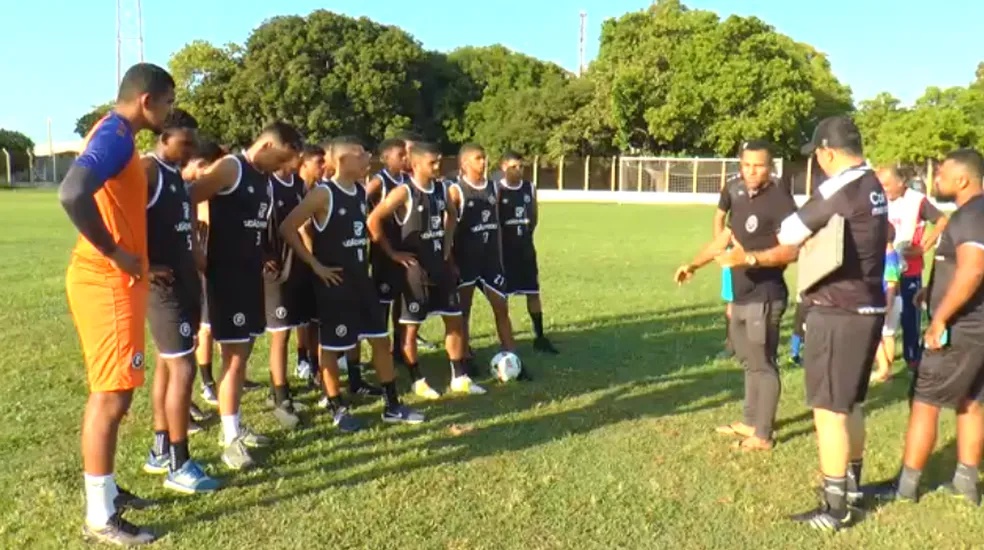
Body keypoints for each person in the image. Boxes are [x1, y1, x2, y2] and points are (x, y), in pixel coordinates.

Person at [718, 116, 887, 531]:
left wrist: (755, 255)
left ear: (829, 152)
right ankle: (851, 489)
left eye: (819, 157)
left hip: (837, 308)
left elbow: (791, 231)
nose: (820, 165)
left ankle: (835, 508)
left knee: (829, 411)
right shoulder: (874, 185)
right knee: (852, 405)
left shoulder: (841, 186)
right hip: (868, 305)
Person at [59, 62, 174, 546]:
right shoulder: (117, 136)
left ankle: (106, 490)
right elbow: (72, 192)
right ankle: (100, 516)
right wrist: (116, 252)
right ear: (146, 100)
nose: (170, 111)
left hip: (118, 280)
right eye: (167, 101)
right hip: (107, 281)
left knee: (116, 392)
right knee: (110, 397)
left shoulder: (111, 132)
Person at [280, 136, 425, 429]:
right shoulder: (323, 194)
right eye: (360, 154)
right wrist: (315, 264)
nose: (367, 158)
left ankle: (392, 405)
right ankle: (337, 408)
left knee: (380, 341)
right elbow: (288, 227)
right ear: (342, 161)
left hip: (363, 281)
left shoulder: (360, 191)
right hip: (335, 286)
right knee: (331, 348)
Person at [871, 149, 984, 506]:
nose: (936, 179)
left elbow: (973, 270)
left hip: (961, 329)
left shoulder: (969, 215)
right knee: (972, 402)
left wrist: (940, 318)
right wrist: (930, 292)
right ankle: (966, 483)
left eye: (943, 174)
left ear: (962, 180)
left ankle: (905, 487)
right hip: (978, 327)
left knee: (925, 400)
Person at [189, 121, 303, 470]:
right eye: (281, 159)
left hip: (251, 278)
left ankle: (234, 423)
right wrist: (197, 250)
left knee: (242, 356)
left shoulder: (264, 179)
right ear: (267, 146)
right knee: (235, 360)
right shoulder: (231, 168)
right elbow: (187, 200)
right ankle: (229, 437)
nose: (283, 168)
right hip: (227, 280)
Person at [676, 140, 797, 451]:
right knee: (748, 361)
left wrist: (751, 259)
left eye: (758, 165)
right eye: (746, 165)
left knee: (763, 364)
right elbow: (726, 238)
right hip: (741, 295)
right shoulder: (739, 194)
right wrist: (693, 265)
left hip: (766, 295)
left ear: (770, 167)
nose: (752, 171)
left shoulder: (780, 197)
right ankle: (749, 420)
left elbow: (793, 250)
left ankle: (763, 434)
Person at [139, 109, 221, 494]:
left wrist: (201, 261)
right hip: (163, 288)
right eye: (183, 142)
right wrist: (143, 265)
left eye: (192, 144)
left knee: (169, 367)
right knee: (184, 369)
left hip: (185, 280)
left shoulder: (175, 175)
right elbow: (112, 216)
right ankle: (179, 462)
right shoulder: (148, 170)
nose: (189, 150)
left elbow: (185, 224)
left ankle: (160, 451)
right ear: (163, 136)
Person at [367, 141, 484, 397]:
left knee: (455, 320)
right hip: (414, 272)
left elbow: (452, 216)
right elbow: (373, 219)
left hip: (440, 267)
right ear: (416, 164)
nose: (438, 166)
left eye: (439, 161)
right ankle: (417, 379)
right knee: (411, 327)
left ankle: (459, 376)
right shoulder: (404, 192)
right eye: (432, 162)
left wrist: (446, 246)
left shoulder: (443, 189)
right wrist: (392, 253)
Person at [189, 143, 263, 405]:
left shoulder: (227, 186)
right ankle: (207, 381)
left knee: (228, 334)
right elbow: (195, 214)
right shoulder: (210, 188)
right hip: (209, 263)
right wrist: (197, 246)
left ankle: (226, 379)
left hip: (229, 265)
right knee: (206, 326)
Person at [447, 143, 525, 375]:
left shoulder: (494, 187)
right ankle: (464, 357)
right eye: (478, 158)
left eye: (484, 157)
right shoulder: (456, 191)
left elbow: (497, 224)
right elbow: (448, 230)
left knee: (501, 307)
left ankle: (512, 358)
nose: (484, 162)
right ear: (465, 163)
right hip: (466, 261)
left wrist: (500, 255)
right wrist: (450, 262)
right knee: (464, 311)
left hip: (490, 261)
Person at [878, 165, 949, 371]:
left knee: (910, 315)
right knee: (885, 315)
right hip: (884, 267)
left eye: (886, 185)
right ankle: (884, 360)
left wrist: (923, 247)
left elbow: (942, 220)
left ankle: (913, 358)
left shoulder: (916, 200)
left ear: (900, 182)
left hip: (909, 267)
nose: (884, 190)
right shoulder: (879, 200)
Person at [497, 152, 559, 354]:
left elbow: (533, 215)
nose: (519, 170)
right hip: (504, 253)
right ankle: (506, 340)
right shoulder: (497, 189)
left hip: (525, 250)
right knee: (502, 296)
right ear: (503, 167)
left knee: (533, 292)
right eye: (514, 166)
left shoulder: (529, 188)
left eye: (521, 166)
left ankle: (539, 337)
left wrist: (526, 234)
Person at [263, 158, 308, 429]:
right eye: (295, 153)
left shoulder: (299, 184)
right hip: (275, 270)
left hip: (297, 265)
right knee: (279, 335)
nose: (299, 159)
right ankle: (280, 398)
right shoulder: (267, 185)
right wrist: (261, 254)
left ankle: (279, 389)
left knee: (290, 329)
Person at [392, 130, 440, 355]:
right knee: (393, 302)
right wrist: (390, 249)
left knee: (412, 305)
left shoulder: (434, 186)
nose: (407, 156)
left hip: (428, 255)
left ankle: (402, 344)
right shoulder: (393, 185)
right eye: (406, 151)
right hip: (397, 253)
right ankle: (397, 346)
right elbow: (371, 214)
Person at [365, 138, 409, 363]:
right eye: (400, 155)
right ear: (385, 158)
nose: (405, 158)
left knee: (402, 301)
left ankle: (400, 349)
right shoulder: (379, 181)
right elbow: (361, 207)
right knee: (383, 302)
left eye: (406, 154)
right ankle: (380, 349)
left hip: (405, 250)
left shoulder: (407, 181)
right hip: (384, 251)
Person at [293, 145, 327, 384]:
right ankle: (303, 359)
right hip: (300, 262)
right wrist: (312, 257)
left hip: (314, 261)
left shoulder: (317, 189)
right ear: (303, 163)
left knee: (314, 318)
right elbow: (301, 227)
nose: (323, 166)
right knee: (301, 318)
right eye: (318, 161)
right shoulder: (296, 189)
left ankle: (315, 364)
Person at [714, 174, 741, 359]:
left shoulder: (772, 184)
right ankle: (730, 345)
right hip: (733, 251)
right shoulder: (731, 186)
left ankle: (759, 347)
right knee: (733, 300)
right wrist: (719, 247)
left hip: (759, 251)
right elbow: (719, 217)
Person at [872, 225, 903, 383]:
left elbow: (891, 283)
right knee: (888, 334)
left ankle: (883, 369)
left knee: (875, 335)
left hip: (888, 300)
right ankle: (888, 373)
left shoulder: (889, 258)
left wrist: (887, 305)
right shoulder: (894, 255)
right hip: (896, 300)